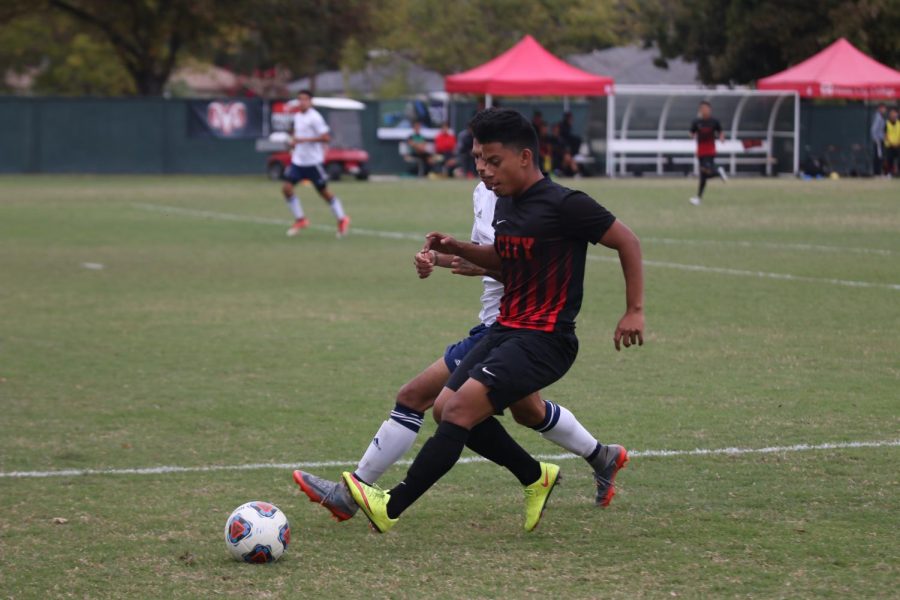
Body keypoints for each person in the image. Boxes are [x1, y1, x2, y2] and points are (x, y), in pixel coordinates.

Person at [341, 108, 645, 534]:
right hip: (507, 329)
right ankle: (535, 476)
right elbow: (504, 260)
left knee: (462, 409)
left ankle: (390, 506)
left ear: (524, 156)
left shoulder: (565, 204)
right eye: (478, 159)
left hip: (546, 338)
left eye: (493, 160)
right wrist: (456, 248)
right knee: (446, 409)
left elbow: (627, 241)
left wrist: (634, 310)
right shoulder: (505, 203)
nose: (483, 169)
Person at [282, 89, 350, 237]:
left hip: (313, 162)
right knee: (287, 188)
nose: (302, 102)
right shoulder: (298, 116)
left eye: (305, 99)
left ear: (311, 101)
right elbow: (297, 136)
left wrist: (304, 140)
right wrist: (293, 142)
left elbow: (326, 138)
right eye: (300, 99)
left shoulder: (315, 117)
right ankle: (301, 219)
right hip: (298, 161)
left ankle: (342, 218)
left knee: (324, 193)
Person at [689, 100, 727, 206]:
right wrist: (692, 135)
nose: (704, 110)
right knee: (703, 175)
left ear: (709, 110)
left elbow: (720, 131)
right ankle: (698, 198)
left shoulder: (714, 121)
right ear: (700, 110)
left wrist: (722, 137)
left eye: (706, 108)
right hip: (700, 150)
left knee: (705, 170)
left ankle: (718, 171)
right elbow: (691, 133)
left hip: (710, 149)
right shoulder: (696, 122)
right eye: (702, 109)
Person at [871, 103, 887, 176]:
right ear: (880, 108)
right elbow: (874, 129)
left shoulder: (880, 116)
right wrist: (876, 139)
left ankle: (878, 172)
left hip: (880, 140)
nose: (885, 110)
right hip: (878, 141)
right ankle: (877, 172)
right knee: (878, 156)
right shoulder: (878, 117)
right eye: (883, 108)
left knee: (879, 156)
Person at [884, 108, 900, 177]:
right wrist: (891, 143)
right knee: (889, 160)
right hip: (889, 146)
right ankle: (889, 174)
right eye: (892, 114)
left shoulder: (899, 124)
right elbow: (885, 135)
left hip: (898, 145)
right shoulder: (887, 124)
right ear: (890, 115)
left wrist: (897, 143)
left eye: (895, 114)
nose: (894, 115)